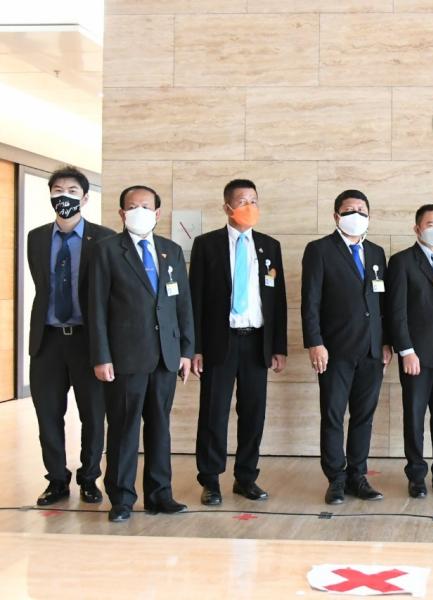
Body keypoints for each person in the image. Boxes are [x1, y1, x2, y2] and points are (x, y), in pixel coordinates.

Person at [89, 185, 194, 522]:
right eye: (132, 206)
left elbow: (182, 304)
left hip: (166, 356)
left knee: (160, 427)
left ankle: (160, 494)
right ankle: (121, 498)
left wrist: (186, 350)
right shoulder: (106, 251)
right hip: (124, 358)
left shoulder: (171, 251)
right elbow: (96, 309)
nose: (139, 212)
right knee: (123, 429)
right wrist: (101, 356)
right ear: (122, 213)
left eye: (146, 206)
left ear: (157, 213)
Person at [189, 179, 288, 506]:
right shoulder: (207, 245)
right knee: (213, 414)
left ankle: (246, 477)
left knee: (253, 414)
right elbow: (195, 299)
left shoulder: (269, 246)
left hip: (256, 342)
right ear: (227, 207)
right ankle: (210, 480)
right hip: (220, 342)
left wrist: (278, 347)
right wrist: (195, 347)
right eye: (243, 201)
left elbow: (278, 301)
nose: (250, 206)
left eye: (254, 200)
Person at [26, 166, 115, 506]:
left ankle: (90, 478)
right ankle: (56, 480)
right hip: (47, 340)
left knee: (93, 414)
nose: (64, 196)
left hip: (87, 340)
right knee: (48, 415)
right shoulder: (36, 237)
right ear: (50, 195)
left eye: (72, 191)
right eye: (58, 190)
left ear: (85, 198)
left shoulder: (104, 238)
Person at [301, 189, 392, 505]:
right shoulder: (319, 250)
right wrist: (315, 342)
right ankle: (336, 479)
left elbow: (383, 303)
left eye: (362, 210)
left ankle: (357, 475)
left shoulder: (377, 253)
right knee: (333, 415)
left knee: (364, 416)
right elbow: (310, 301)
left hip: (372, 351)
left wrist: (386, 342)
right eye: (350, 210)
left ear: (369, 215)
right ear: (336, 216)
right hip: (334, 350)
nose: (357, 215)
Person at [386, 204, 433, 499]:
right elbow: (397, 312)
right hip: (416, 356)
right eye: (431, 224)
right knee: (415, 417)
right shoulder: (402, 262)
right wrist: (406, 350)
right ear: (417, 228)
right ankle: (416, 476)